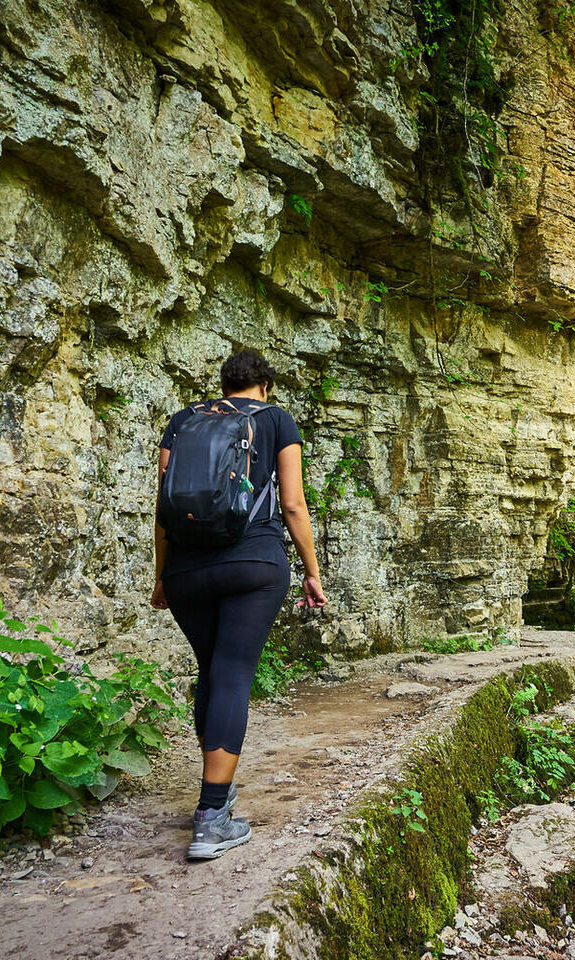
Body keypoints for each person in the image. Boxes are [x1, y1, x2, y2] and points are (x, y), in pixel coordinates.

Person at [149, 349, 327, 860]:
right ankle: (210, 818)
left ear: (223, 384)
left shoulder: (183, 421)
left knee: (212, 671)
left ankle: (218, 796)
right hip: (253, 566)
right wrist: (312, 574)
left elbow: (164, 509)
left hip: (186, 570)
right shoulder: (275, 420)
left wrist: (163, 574)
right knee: (231, 675)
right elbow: (292, 503)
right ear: (265, 385)